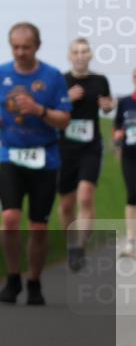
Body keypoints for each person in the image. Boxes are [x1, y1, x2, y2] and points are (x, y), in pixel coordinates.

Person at [0, 22, 71, 305]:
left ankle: (34, 281)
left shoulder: (53, 77)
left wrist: (39, 110)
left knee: (38, 228)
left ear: (37, 47)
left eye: (26, 47)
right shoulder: (0, 73)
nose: (20, 52)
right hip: (11, 156)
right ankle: (12, 277)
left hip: (45, 159)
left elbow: (64, 119)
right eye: (15, 47)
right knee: (9, 219)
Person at [58, 38, 113, 271]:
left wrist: (108, 107)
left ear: (90, 55)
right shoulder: (60, 81)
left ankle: (81, 246)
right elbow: (50, 109)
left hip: (90, 147)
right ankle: (71, 244)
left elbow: (107, 105)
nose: (80, 55)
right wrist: (66, 99)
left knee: (85, 196)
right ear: (70, 56)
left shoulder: (100, 81)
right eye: (76, 52)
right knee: (66, 204)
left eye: (84, 51)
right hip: (64, 148)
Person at [113, 67, 136, 257]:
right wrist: (117, 138)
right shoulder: (125, 102)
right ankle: (131, 242)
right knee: (133, 194)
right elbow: (116, 126)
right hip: (130, 155)